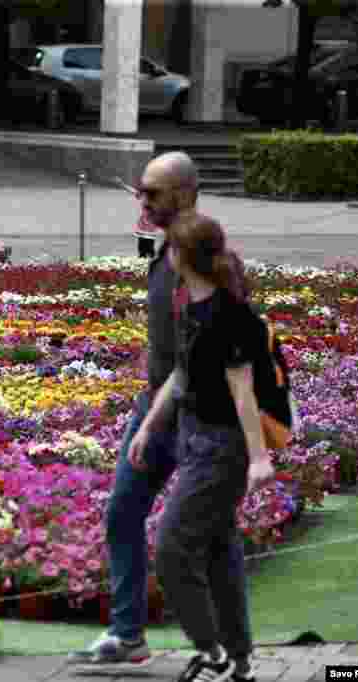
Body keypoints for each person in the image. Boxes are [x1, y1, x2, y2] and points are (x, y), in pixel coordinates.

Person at [67, 152, 256, 682]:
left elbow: (231, 352)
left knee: (216, 539)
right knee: (124, 510)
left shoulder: (217, 264)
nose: (143, 202)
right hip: (154, 408)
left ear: (187, 195)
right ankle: (128, 636)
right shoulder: (163, 253)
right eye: (141, 192)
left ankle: (232, 650)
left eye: (154, 193)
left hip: (202, 423)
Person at [129, 213, 275, 682]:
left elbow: (243, 390)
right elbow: (183, 373)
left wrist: (258, 458)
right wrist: (149, 426)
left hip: (221, 448)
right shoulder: (193, 305)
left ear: (182, 257)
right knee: (215, 551)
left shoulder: (228, 315)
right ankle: (238, 659)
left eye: (170, 246)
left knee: (173, 550)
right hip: (194, 437)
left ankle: (213, 653)